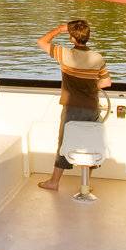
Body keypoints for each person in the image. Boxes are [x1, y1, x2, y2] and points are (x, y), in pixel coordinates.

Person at [36, 18, 111, 192]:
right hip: (92, 107)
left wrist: (59, 29)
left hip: (71, 108)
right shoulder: (97, 58)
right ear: (88, 36)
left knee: (65, 143)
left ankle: (54, 182)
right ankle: (86, 184)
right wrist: (92, 87)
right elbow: (106, 82)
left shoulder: (64, 54)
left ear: (72, 38)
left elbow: (41, 42)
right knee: (91, 142)